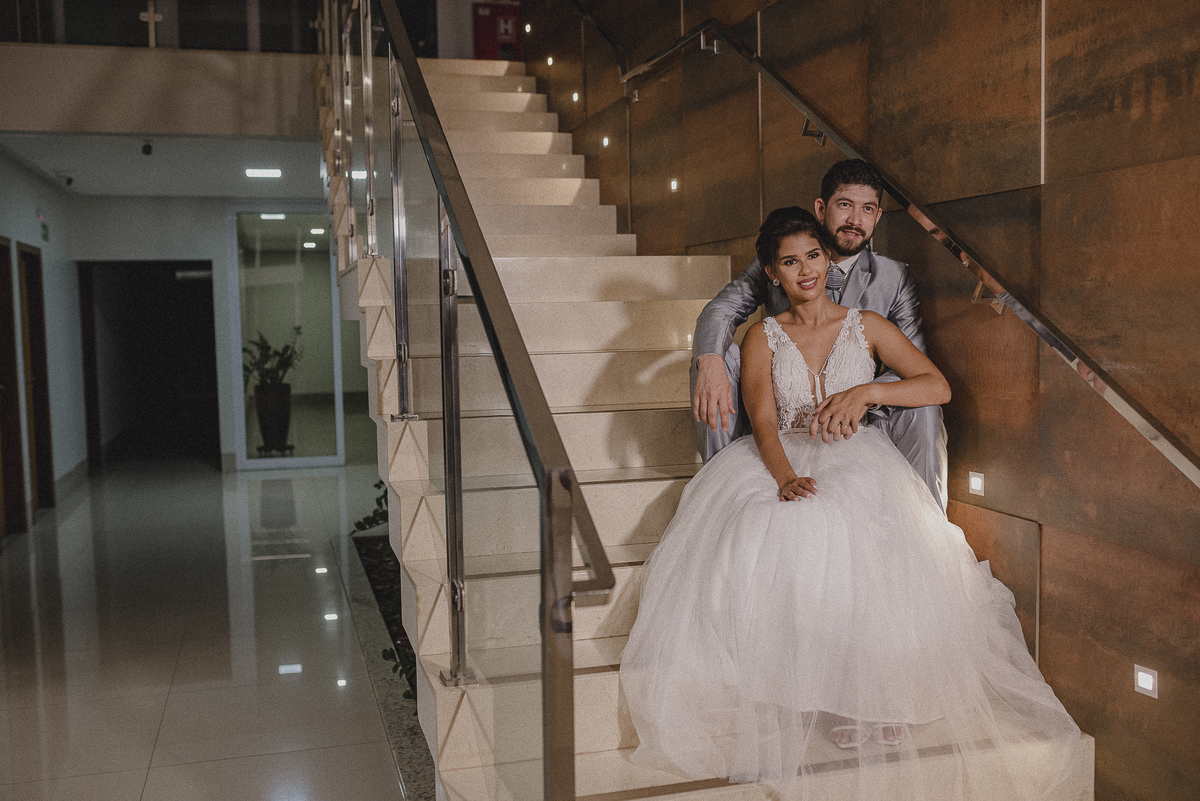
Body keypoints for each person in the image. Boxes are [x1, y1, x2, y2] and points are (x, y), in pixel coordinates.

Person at [621, 207, 1084, 799]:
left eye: (813, 256)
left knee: (871, 535)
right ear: (772, 272)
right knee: (781, 527)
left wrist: (866, 392)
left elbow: (936, 385)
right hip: (784, 454)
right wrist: (784, 477)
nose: (806, 270)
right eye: (791, 262)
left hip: (860, 456)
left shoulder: (867, 325)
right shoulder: (762, 335)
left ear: (826, 258)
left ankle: (877, 694)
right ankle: (823, 694)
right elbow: (762, 419)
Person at [691, 159, 948, 510]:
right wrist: (708, 361)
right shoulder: (777, 264)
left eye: (867, 209)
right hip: (783, 420)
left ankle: (927, 516)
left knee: (926, 410)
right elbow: (721, 310)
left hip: (860, 426)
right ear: (822, 208)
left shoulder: (891, 284)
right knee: (717, 358)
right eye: (845, 205)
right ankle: (722, 488)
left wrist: (862, 395)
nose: (855, 220)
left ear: (877, 216)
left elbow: (919, 372)